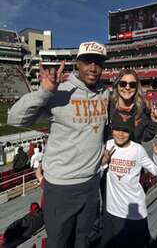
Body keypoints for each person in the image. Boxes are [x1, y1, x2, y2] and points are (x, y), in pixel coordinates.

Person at [7, 41, 109, 248]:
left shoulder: (105, 93)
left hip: (91, 185)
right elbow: (15, 119)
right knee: (59, 243)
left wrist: (104, 149)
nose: (93, 68)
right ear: (77, 64)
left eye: (98, 62)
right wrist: (44, 93)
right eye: (87, 61)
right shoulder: (60, 92)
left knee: (83, 241)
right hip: (61, 188)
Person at [100, 112, 157, 248]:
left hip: (135, 212)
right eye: (117, 129)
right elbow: (96, 172)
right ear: (112, 129)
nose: (120, 134)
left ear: (131, 131)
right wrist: (103, 163)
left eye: (125, 130)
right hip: (113, 210)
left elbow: (156, 170)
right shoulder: (107, 145)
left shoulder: (138, 149)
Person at [109, 68, 157, 143]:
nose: (127, 87)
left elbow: (144, 137)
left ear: (137, 88)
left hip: (132, 153)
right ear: (117, 85)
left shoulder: (142, 108)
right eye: (123, 84)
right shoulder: (107, 105)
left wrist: (154, 123)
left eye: (132, 85)